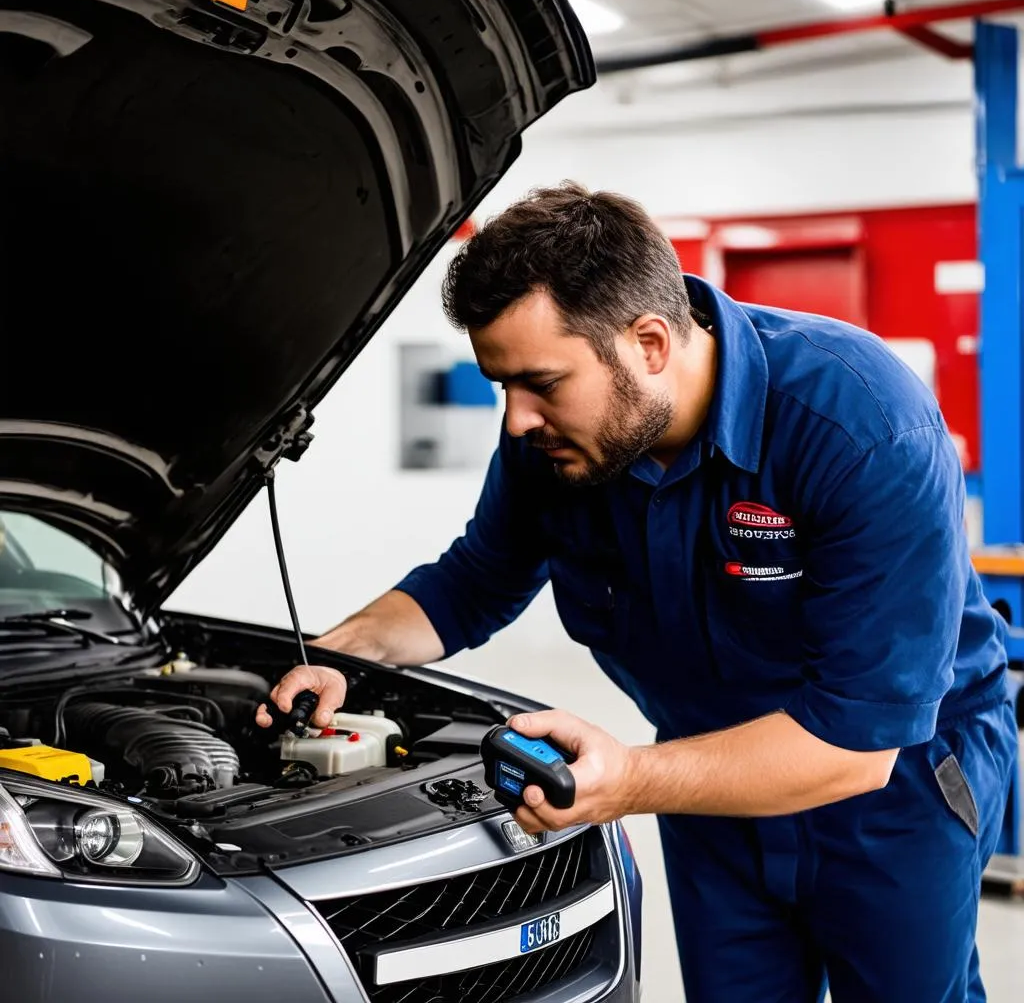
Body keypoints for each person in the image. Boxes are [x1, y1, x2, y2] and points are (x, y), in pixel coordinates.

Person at [258, 182, 1019, 1003]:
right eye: (501, 385)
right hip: (710, 777)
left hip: (897, 788)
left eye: (542, 383)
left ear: (650, 343)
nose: (515, 420)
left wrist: (628, 779)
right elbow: (474, 580)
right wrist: (338, 656)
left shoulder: (860, 424)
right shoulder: (555, 444)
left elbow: (856, 742)